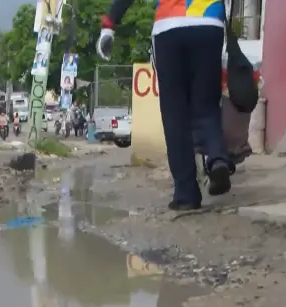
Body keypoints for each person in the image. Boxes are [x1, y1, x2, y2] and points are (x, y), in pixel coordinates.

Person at [96, 0, 232, 211]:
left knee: (174, 115)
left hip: (169, 27)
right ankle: (217, 159)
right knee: (206, 105)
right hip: (209, 23)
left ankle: (186, 194)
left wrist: (109, 24)